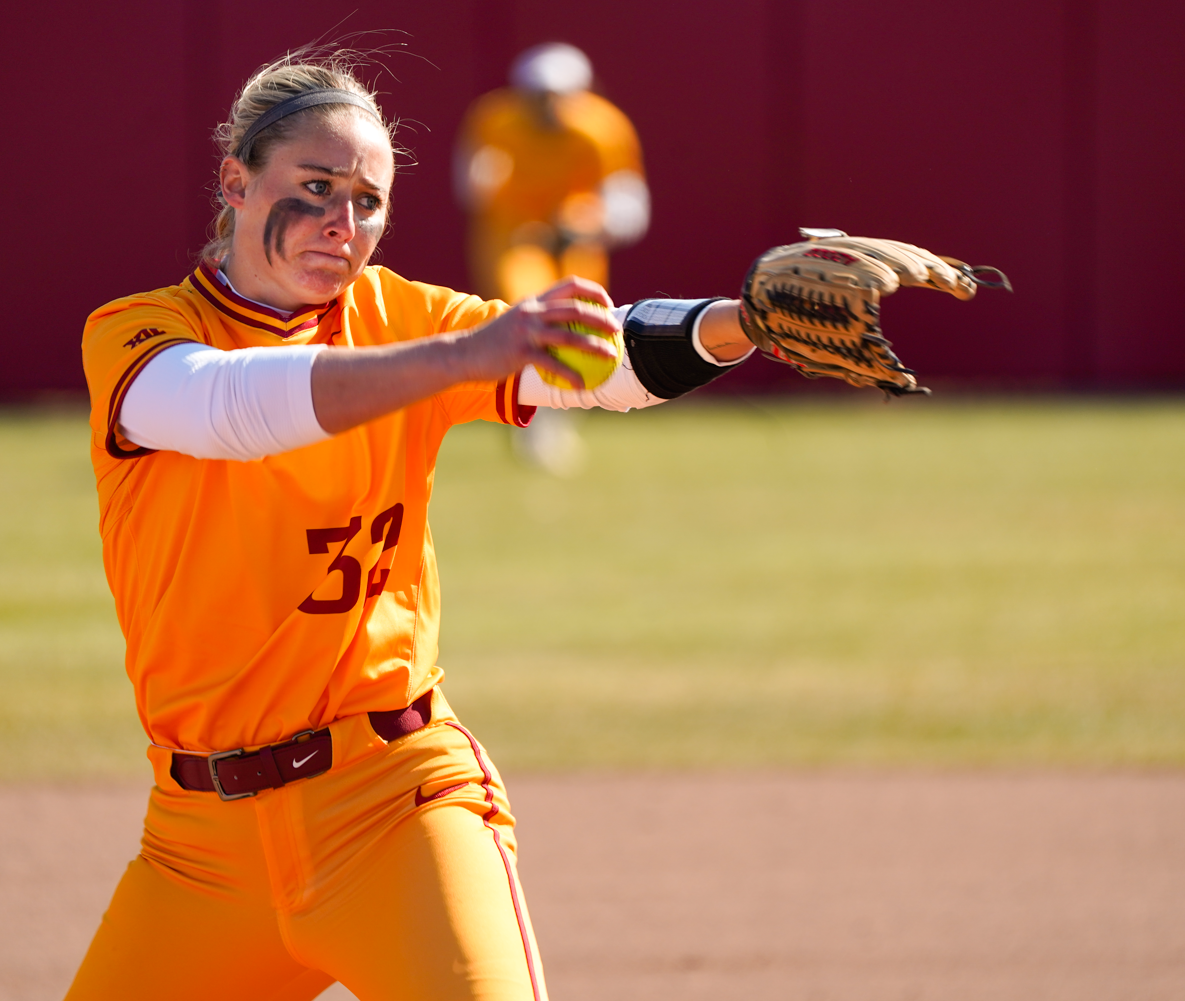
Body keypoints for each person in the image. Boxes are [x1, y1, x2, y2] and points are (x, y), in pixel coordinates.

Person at [69, 48, 752, 1001]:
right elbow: (228, 408)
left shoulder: (400, 316)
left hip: (392, 806)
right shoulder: (140, 330)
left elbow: (598, 366)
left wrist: (744, 318)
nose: (340, 226)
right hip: (198, 849)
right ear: (235, 178)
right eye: (313, 187)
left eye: (368, 200)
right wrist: (460, 357)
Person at [455, 43, 650, 475]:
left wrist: (589, 224)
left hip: (574, 237)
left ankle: (555, 416)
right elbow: (472, 185)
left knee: (579, 323)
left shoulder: (602, 129)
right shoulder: (496, 120)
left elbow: (630, 207)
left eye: (557, 96)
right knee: (529, 314)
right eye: (538, 95)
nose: (548, 107)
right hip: (516, 233)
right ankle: (531, 417)